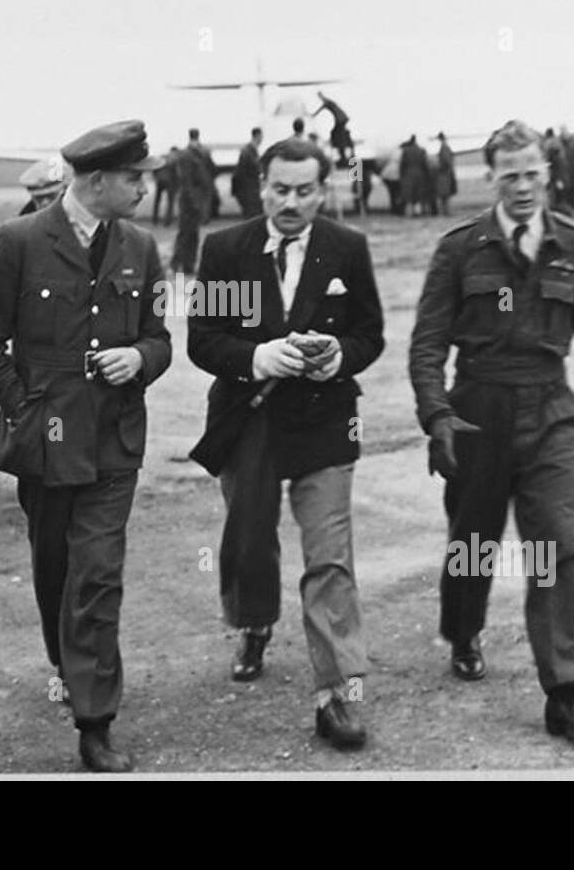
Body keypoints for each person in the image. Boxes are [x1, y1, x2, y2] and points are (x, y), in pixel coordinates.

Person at [408, 119, 574, 743]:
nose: (522, 186)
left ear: (549, 172)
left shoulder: (573, 245)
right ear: (490, 178)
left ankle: (566, 692)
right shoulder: (461, 248)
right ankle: (463, 631)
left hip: (550, 410)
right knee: (473, 539)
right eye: (509, 175)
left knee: (556, 545)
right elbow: (427, 344)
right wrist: (437, 417)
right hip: (477, 409)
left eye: (532, 172)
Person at [0, 119, 172, 773]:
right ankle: (66, 657)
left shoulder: (141, 245)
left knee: (97, 574)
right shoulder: (22, 241)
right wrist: (23, 403)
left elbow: (161, 338)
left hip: (114, 438)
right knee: (55, 566)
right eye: (135, 177)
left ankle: (95, 719)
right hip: (46, 442)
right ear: (97, 180)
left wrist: (138, 357)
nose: (144, 187)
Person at [187, 137, 385, 751]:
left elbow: (369, 334)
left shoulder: (346, 248)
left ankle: (338, 693)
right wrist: (255, 357)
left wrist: (337, 361)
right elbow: (202, 340)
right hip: (248, 419)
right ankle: (252, 623)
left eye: (305, 191)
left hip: (324, 423)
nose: (291, 202)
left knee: (329, 559)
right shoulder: (225, 249)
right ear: (260, 186)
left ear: (323, 191)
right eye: (280, 189)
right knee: (248, 541)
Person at [171, 134, 214, 275]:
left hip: (196, 199)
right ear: (192, 139)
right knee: (186, 234)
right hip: (189, 201)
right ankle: (180, 264)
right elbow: (187, 181)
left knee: (192, 234)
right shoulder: (187, 156)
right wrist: (194, 202)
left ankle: (187, 264)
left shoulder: (198, 154)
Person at [312, 90, 355, 168]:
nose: (320, 98)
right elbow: (320, 109)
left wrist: (313, 115)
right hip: (342, 119)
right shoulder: (327, 102)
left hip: (340, 120)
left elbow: (321, 109)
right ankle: (345, 154)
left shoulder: (327, 101)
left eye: (320, 96)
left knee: (337, 135)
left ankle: (343, 156)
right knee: (338, 134)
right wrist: (314, 115)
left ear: (322, 96)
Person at [187, 127, 221, 221]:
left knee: (195, 199)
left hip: (193, 180)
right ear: (198, 135)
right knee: (206, 200)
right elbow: (212, 166)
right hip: (206, 178)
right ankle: (204, 218)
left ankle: (198, 218)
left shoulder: (186, 151)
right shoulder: (205, 151)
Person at [231, 127, 265, 218]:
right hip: (249, 190)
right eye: (262, 136)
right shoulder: (249, 152)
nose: (262, 139)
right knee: (251, 215)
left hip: (249, 189)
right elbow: (255, 168)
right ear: (257, 136)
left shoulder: (248, 150)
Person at [399, 134, 431, 217]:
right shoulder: (421, 150)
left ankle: (408, 213)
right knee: (418, 196)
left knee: (408, 197)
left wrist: (402, 175)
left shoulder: (405, 151)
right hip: (420, 175)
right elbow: (425, 164)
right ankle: (418, 213)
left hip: (408, 175)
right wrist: (427, 175)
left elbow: (402, 165)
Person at [542, 128, 568, 215]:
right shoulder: (558, 144)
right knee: (559, 197)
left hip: (555, 176)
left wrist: (558, 179)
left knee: (556, 198)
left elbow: (555, 164)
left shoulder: (550, 145)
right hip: (558, 176)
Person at [152, 147, 179, 226]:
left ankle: (154, 219)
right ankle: (167, 222)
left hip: (160, 180)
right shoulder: (175, 159)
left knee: (157, 201)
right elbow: (177, 173)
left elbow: (155, 168)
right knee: (170, 202)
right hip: (170, 181)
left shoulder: (163, 157)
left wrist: (156, 177)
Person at [435, 132, 457, 216]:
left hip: (444, 174)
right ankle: (446, 211)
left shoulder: (444, 147)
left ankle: (446, 211)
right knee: (445, 194)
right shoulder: (446, 147)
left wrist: (440, 168)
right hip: (447, 173)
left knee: (444, 194)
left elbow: (445, 161)